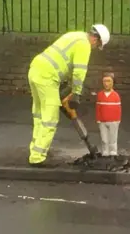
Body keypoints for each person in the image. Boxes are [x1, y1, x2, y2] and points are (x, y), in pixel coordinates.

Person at [27, 24, 111, 166]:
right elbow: (79, 72)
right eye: (98, 46)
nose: (95, 48)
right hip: (48, 77)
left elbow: (62, 60)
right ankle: (37, 158)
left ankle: (35, 150)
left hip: (36, 69)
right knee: (50, 119)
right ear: (96, 40)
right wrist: (76, 94)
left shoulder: (75, 35)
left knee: (40, 114)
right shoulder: (84, 45)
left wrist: (65, 87)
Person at [96, 72, 122, 158]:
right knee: (104, 138)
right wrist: (98, 119)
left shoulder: (115, 96)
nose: (106, 84)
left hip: (113, 121)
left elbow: (118, 109)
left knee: (113, 138)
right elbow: (98, 108)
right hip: (102, 121)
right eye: (105, 81)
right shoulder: (100, 95)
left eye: (109, 81)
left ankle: (113, 151)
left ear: (113, 82)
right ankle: (105, 151)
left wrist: (117, 120)